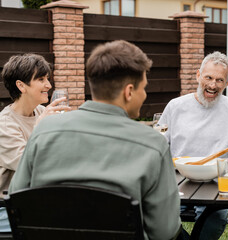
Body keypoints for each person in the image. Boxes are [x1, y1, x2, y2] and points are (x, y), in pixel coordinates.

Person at [9, 40, 182, 240]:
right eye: (143, 88)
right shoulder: (153, 144)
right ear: (129, 92)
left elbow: (17, 201)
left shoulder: (43, 131)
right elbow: (165, 230)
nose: (144, 94)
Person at [159, 51, 228, 239]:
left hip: (218, 187)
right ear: (198, 75)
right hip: (178, 184)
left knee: (216, 218)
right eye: (208, 77)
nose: (212, 85)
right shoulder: (175, 106)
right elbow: (159, 147)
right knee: (154, 216)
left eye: (219, 80)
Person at [0, 53, 70, 232]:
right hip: (10, 208)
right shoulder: (4, 125)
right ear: (21, 85)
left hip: (40, 198)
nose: (49, 85)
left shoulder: (41, 111)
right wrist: (40, 127)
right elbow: (29, 164)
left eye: (47, 78)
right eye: (41, 79)